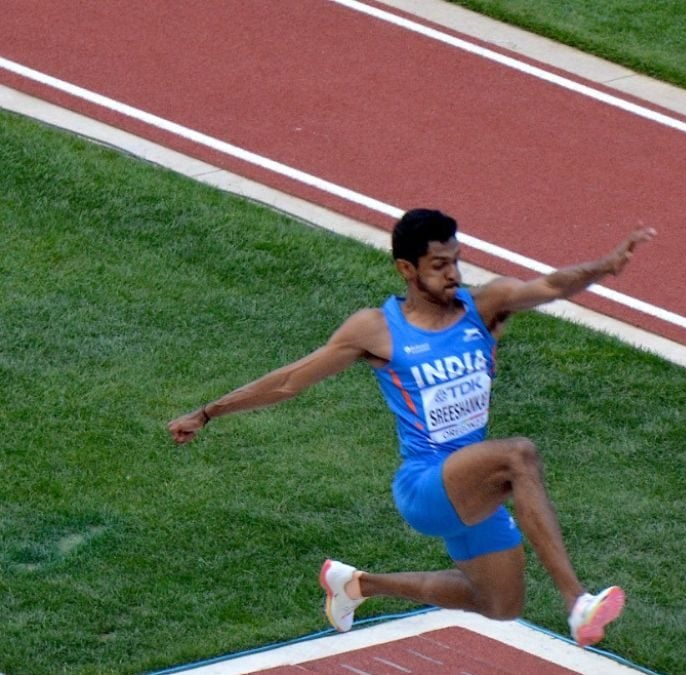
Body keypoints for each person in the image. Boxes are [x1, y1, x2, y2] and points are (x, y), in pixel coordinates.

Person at [168, 208, 656, 647]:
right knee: (518, 455)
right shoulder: (376, 328)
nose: (454, 273)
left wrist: (604, 267)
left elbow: (551, 286)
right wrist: (209, 412)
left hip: (473, 486)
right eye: (439, 265)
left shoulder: (484, 307)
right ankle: (576, 601)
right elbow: (290, 381)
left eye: (456, 260)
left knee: (501, 605)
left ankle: (358, 584)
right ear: (407, 269)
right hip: (424, 486)